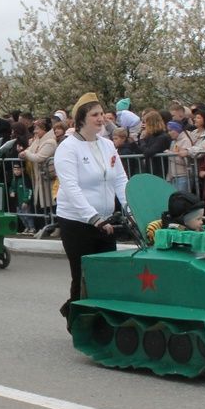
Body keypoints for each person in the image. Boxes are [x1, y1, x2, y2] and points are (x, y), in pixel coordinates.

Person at [54, 93, 129, 322]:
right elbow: (71, 187)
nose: (101, 118)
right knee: (83, 275)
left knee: (106, 275)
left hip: (106, 221)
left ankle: (98, 320)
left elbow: (120, 180)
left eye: (102, 114)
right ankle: (77, 322)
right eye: (95, 115)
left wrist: (131, 209)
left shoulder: (107, 145)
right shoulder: (68, 148)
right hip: (77, 222)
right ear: (81, 119)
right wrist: (93, 217)